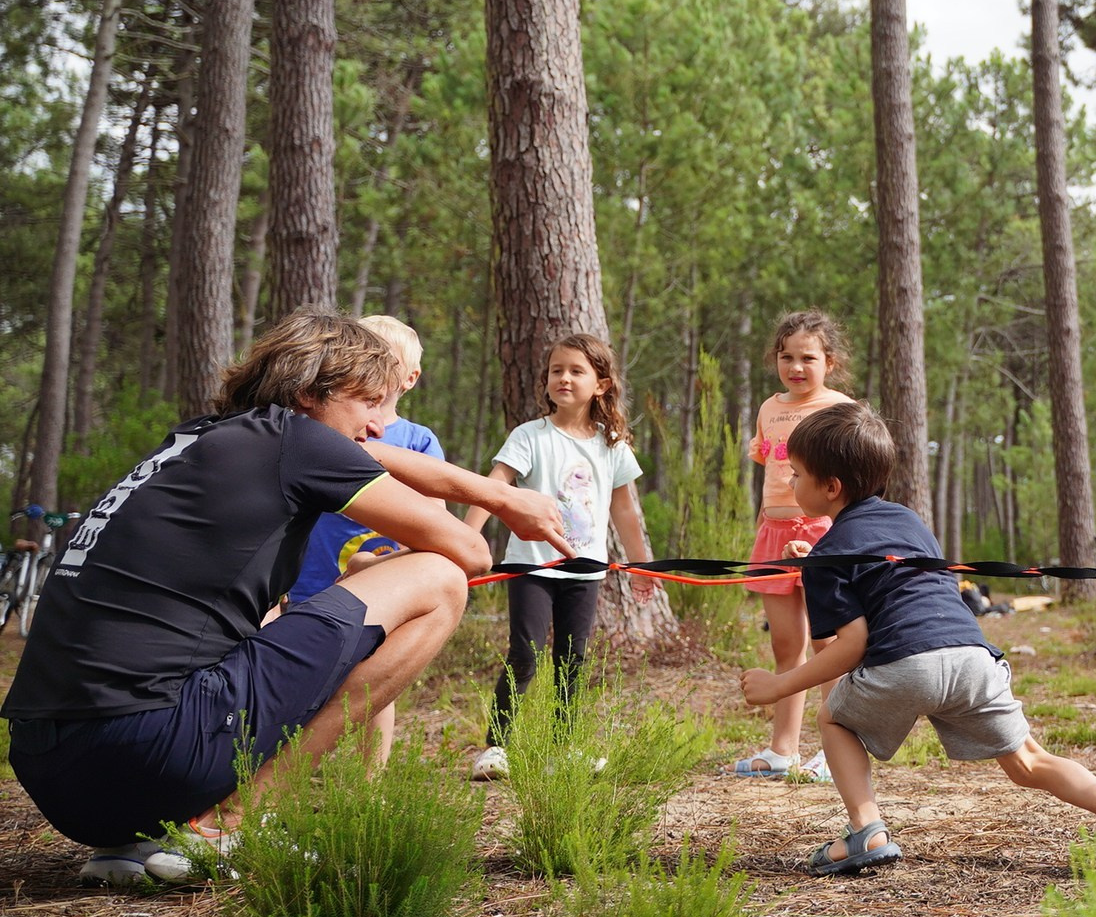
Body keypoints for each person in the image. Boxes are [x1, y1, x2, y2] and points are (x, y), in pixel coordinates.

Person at [0, 311, 571, 885]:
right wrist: (494, 502)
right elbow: (468, 553)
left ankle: (131, 843)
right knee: (439, 579)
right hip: (150, 751)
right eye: (368, 402)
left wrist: (486, 498)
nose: (378, 427)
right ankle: (230, 823)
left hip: (54, 774)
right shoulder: (295, 441)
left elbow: (343, 453)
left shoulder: (198, 440)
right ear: (307, 393)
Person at [739, 401, 1096, 879]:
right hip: (972, 657)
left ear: (831, 487)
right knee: (1029, 761)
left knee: (833, 719)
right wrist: (818, 556)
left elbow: (850, 645)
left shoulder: (829, 555)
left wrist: (779, 685)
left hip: (906, 664)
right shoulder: (909, 521)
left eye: (797, 474)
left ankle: (866, 830)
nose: (791, 482)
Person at [461, 333, 655, 781]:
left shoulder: (612, 445)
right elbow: (494, 487)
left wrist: (641, 566)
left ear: (601, 385)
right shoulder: (530, 436)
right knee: (525, 653)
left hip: (586, 571)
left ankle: (563, 750)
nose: (563, 378)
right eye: (556, 370)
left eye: (576, 371)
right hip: (531, 566)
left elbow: (626, 510)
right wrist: (464, 541)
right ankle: (496, 747)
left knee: (573, 661)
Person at [280, 315, 442, 767]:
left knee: (374, 677)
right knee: (301, 673)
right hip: (313, 574)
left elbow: (436, 519)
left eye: (388, 359)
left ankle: (371, 778)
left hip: (382, 579)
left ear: (410, 378)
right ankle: (293, 766)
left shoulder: (418, 440)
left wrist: (400, 565)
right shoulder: (322, 430)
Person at [732, 311, 856, 781]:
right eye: (787, 357)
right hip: (774, 532)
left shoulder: (840, 408)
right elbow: (770, 467)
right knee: (786, 643)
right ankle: (783, 749)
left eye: (808, 358)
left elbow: (851, 477)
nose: (796, 367)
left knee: (828, 644)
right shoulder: (769, 408)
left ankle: (836, 747)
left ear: (830, 362)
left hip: (823, 533)